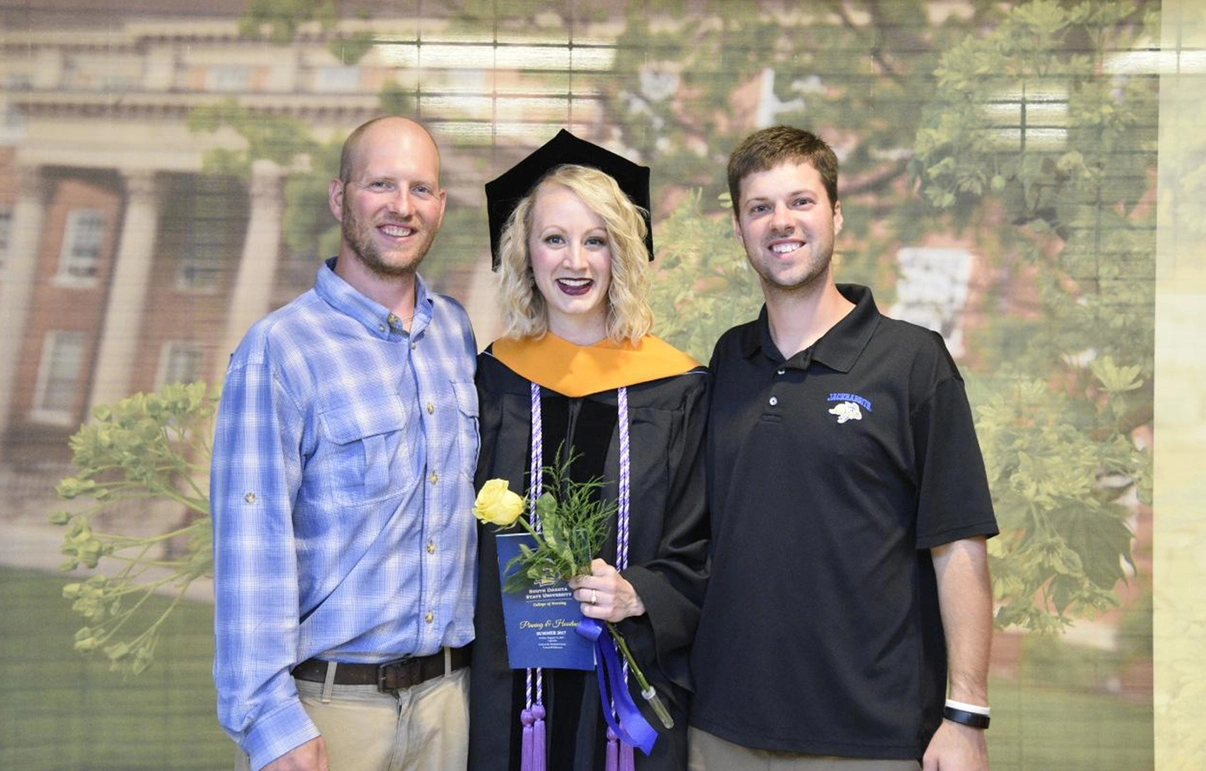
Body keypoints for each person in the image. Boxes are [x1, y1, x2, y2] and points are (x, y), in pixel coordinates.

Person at [688, 125, 999, 771]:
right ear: (741, 228)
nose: (782, 222)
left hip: (869, 737)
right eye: (760, 207)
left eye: (801, 201)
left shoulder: (913, 361)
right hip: (722, 730)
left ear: (835, 214)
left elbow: (959, 544)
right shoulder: (727, 360)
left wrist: (965, 715)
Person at [210, 116, 479, 771]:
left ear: (440, 207)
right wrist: (273, 726)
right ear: (339, 197)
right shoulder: (281, 349)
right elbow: (252, 546)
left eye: (421, 188)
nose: (402, 206)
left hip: (450, 705)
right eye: (380, 184)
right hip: (331, 714)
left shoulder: (457, 335)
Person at [469, 129, 709, 771]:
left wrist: (641, 596)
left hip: (631, 682)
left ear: (620, 253)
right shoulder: (492, 378)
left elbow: (706, 544)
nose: (575, 261)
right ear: (526, 252)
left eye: (595, 239)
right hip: (510, 686)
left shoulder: (678, 387)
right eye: (555, 238)